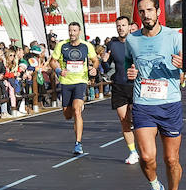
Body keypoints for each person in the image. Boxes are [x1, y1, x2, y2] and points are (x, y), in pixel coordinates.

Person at [125, 0, 185, 190]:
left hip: (169, 103)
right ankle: (154, 186)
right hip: (143, 104)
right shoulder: (132, 39)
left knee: (171, 160)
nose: (146, 15)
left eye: (149, 10)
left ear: (159, 11)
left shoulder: (174, 36)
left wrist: (184, 64)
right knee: (147, 158)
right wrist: (130, 73)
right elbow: (127, 66)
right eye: (142, 11)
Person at [50, 21, 97, 156]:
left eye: (75, 31)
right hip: (66, 82)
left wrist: (94, 68)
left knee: (77, 111)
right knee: (67, 115)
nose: (72, 33)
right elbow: (52, 61)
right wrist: (58, 70)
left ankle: (78, 143)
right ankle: (75, 107)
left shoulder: (87, 46)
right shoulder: (61, 45)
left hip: (81, 81)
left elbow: (95, 60)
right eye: (70, 30)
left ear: (79, 32)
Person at [101, 16, 139, 164]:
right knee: (124, 120)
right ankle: (133, 152)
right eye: (118, 26)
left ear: (129, 27)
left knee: (138, 120)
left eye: (123, 25)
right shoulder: (112, 44)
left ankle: (144, 147)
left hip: (136, 86)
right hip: (119, 86)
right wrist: (104, 62)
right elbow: (106, 67)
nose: (121, 28)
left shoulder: (136, 41)